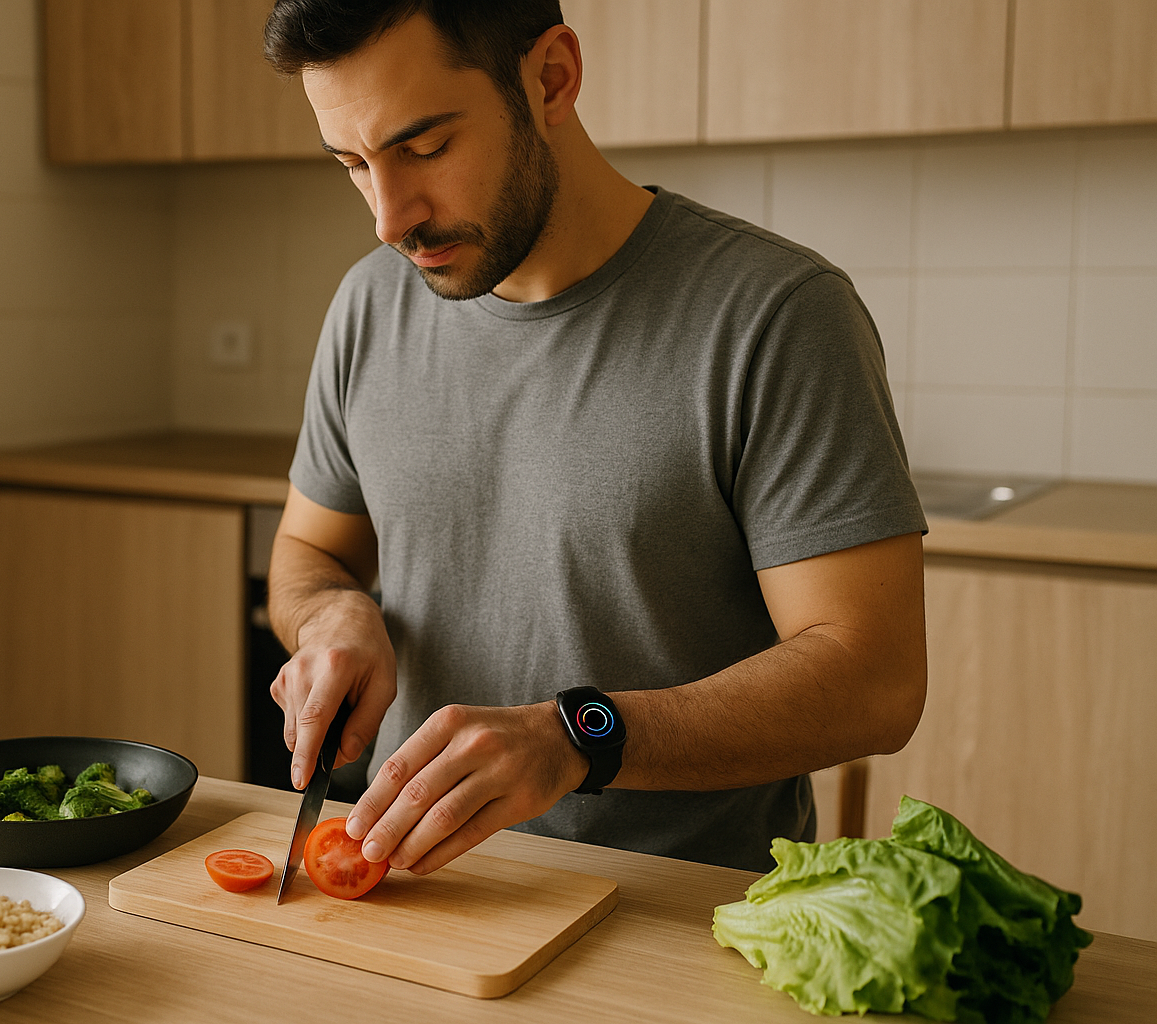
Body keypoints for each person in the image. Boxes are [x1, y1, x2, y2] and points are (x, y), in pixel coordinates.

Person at [261, 0, 929, 876]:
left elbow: (876, 682)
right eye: (353, 163)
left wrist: (577, 737)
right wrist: (333, 614)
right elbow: (309, 551)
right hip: (422, 890)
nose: (390, 218)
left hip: (681, 907)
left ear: (552, 79)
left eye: (425, 147)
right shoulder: (369, 304)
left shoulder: (776, 315)